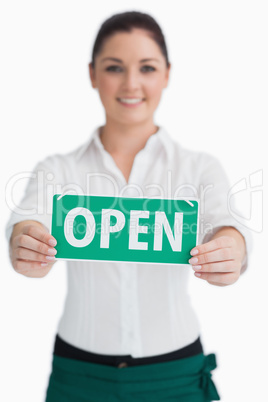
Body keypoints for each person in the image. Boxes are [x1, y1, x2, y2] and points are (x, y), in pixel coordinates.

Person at [6, 10, 252, 402]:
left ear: (167, 74)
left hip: (177, 375)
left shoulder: (199, 168)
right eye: (115, 67)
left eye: (148, 68)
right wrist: (25, 242)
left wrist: (232, 248)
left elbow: (227, 227)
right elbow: (25, 221)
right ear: (92, 74)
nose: (131, 84)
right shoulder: (57, 169)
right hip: (78, 376)